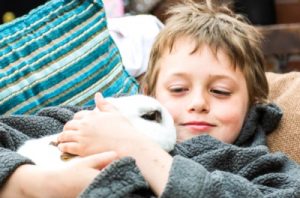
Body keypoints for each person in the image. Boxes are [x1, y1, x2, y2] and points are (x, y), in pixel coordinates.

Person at [0, 0, 300, 197]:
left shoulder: (259, 166)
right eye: (178, 89)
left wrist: (135, 148)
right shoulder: (95, 119)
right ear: (148, 92)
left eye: (220, 92)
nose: (198, 103)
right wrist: (34, 184)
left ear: (252, 104)